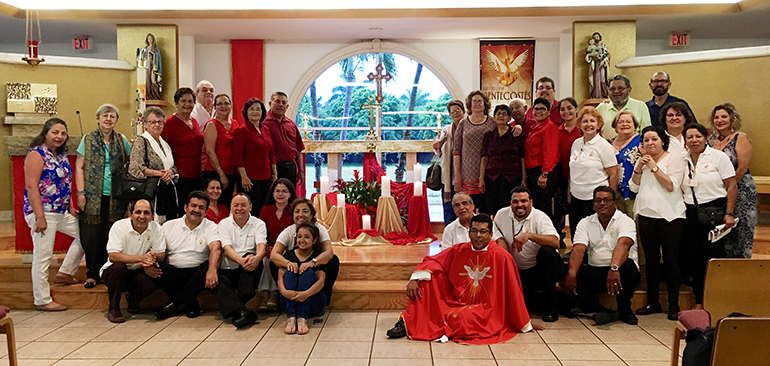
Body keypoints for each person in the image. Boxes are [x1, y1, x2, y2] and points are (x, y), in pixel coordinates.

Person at [386, 214, 533, 344]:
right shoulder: (459, 250)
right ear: (469, 233)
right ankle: (408, 323)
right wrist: (414, 279)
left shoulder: (502, 256)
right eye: (474, 231)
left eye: (483, 231)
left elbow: (513, 290)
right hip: (456, 300)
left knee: (464, 318)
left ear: (491, 234)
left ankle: (432, 324)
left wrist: (523, 322)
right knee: (426, 280)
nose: (478, 236)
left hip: (486, 309)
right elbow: (433, 261)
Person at [154, 191, 258, 328]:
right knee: (155, 267)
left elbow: (216, 248)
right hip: (174, 272)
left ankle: (174, 305)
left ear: (206, 211)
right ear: (185, 207)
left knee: (212, 269)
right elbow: (160, 253)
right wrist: (151, 259)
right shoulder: (168, 226)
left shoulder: (211, 227)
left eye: (201, 207)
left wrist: (212, 270)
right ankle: (190, 303)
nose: (197, 210)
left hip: (199, 273)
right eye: (193, 206)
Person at [23, 118, 84, 311]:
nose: (59, 136)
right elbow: (32, 187)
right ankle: (42, 299)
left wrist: (70, 207)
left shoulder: (60, 155)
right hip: (43, 211)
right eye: (55, 132)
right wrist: (39, 216)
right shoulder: (37, 154)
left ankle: (65, 272)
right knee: (43, 255)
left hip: (60, 210)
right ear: (46, 133)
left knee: (87, 235)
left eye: (63, 133)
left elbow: (65, 183)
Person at [561, 186, 640, 325]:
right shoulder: (585, 222)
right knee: (562, 271)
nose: (602, 203)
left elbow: (623, 245)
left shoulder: (625, 221)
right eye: (598, 200)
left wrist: (614, 268)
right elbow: (579, 249)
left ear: (615, 203)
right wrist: (572, 274)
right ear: (593, 205)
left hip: (620, 272)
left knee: (629, 266)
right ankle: (600, 310)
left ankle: (625, 310)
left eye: (607, 200)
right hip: (595, 271)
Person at [630, 126, 686, 320]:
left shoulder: (674, 158)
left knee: (671, 260)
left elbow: (671, 185)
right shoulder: (642, 161)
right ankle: (653, 302)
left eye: (654, 139)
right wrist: (638, 168)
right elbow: (633, 187)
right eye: (646, 140)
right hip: (646, 214)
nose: (650, 143)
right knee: (651, 261)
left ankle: (673, 304)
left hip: (671, 215)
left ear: (663, 141)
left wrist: (653, 166)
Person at [76, 104, 131, 289]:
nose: (108, 119)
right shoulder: (88, 139)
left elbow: (131, 165)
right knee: (93, 237)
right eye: (105, 115)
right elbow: (79, 167)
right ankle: (92, 274)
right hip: (93, 196)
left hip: (116, 197)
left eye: (112, 116)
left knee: (111, 236)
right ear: (98, 119)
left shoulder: (122, 140)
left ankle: (108, 273)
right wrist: (81, 193)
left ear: (116, 120)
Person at [681, 123, 737, 307]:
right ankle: (699, 300)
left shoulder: (718, 157)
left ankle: (715, 301)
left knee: (713, 259)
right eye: (689, 137)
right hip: (690, 213)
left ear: (706, 137)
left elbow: (731, 186)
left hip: (714, 212)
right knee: (694, 258)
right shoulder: (682, 159)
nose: (694, 140)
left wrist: (729, 213)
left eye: (698, 136)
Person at [493, 187, 562, 322]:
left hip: (541, 270)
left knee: (547, 252)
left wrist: (529, 236)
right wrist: (500, 241)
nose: (520, 205)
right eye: (515, 202)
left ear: (531, 202)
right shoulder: (501, 214)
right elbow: (494, 230)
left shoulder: (540, 217)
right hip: (517, 271)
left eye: (524, 201)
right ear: (510, 203)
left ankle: (551, 309)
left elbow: (556, 242)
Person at [100, 199, 165, 323]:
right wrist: (142, 258)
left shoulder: (156, 228)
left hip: (138, 270)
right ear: (131, 214)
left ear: (152, 216)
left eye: (146, 213)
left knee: (155, 275)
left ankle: (134, 301)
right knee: (119, 268)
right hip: (115, 271)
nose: (142, 216)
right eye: (138, 212)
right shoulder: (119, 226)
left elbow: (161, 254)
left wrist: (152, 259)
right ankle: (114, 308)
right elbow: (113, 256)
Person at [708, 103, 757, 259]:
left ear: (732, 118)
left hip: (740, 189)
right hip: (719, 191)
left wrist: (729, 187)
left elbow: (742, 168)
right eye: (716, 117)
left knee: (741, 231)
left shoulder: (740, 137)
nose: (719, 120)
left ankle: (742, 270)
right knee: (724, 232)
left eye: (724, 116)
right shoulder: (711, 139)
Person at [271, 198, 340, 305]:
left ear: (312, 214)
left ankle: (322, 298)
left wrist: (312, 262)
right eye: (297, 211)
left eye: (305, 211)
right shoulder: (288, 231)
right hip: (294, 267)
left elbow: (328, 252)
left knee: (333, 261)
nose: (300, 215)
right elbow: (274, 254)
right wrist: (288, 264)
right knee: (274, 264)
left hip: (313, 265)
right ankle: (288, 297)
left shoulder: (320, 229)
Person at [568, 106, 619, 240]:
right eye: (585, 121)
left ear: (599, 125)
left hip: (595, 200)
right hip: (576, 197)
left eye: (592, 121)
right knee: (577, 233)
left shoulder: (604, 146)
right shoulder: (576, 143)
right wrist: (569, 192)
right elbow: (572, 169)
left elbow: (613, 174)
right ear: (579, 125)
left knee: (594, 236)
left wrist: (610, 200)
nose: (588, 124)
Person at [128, 106, 178, 223]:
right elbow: (135, 168)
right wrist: (158, 174)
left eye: (160, 122)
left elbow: (173, 166)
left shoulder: (164, 144)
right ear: (145, 124)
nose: (157, 125)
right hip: (150, 194)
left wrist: (171, 172)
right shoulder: (141, 141)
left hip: (166, 192)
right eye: (152, 122)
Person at [218, 193, 267, 311]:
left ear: (250, 207)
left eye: (243, 205)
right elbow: (226, 248)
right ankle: (241, 310)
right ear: (231, 207)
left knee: (251, 257)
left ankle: (238, 306)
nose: (239, 208)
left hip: (249, 269)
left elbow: (261, 244)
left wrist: (258, 257)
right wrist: (242, 261)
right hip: (229, 268)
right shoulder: (223, 224)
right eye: (236, 205)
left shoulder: (258, 223)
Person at [279, 222, 328, 335]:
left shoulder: (317, 257)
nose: (302, 240)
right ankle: (291, 318)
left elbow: (321, 281)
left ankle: (302, 318)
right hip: (291, 300)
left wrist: (306, 293)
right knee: (291, 270)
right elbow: (280, 277)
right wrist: (285, 292)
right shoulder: (289, 255)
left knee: (307, 272)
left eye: (307, 237)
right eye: (299, 237)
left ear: (314, 240)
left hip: (312, 300)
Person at [162, 87, 204, 216]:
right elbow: (164, 149)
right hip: (180, 176)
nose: (187, 104)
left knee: (195, 211)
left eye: (190, 101)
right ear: (176, 103)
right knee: (182, 211)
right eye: (183, 101)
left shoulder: (194, 122)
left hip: (197, 174)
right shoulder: (169, 123)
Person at [234, 97, 277, 216]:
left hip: (266, 176)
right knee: (253, 209)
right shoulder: (242, 130)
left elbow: (271, 153)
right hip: (249, 178)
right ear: (246, 112)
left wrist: (274, 174)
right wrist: (244, 177)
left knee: (265, 208)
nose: (255, 112)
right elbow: (237, 156)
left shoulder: (265, 129)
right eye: (251, 109)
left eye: (258, 109)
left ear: (263, 112)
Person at [258, 178, 296, 311]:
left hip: (288, 248)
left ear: (290, 193)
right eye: (277, 191)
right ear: (272, 193)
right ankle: (267, 293)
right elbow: (261, 232)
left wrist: (278, 250)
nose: (280, 194)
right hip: (268, 247)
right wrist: (266, 247)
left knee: (273, 259)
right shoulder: (266, 210)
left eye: (284, 191)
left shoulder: (294, 210)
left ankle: (271, 294)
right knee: (266, 259)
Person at [479, 104, 525, 215]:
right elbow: (484, 157)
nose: (501, 116)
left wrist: (524, 177)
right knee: (493, 209)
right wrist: (481, 178)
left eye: (504, 114)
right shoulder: (489, 136)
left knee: (510, 209)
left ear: (509, 118)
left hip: (512, 177)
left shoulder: (516, 135)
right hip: (492, 177)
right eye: (498, 113)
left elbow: (522, 158)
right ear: (494, 117)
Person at [453, 90, 495, 210]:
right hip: (467, 172)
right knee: (468, 207)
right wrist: (457, 174)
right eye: (474, 101)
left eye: (480, 101)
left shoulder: (492, 122)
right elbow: (457, 151)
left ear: (485, 104)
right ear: (470, 104)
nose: (477, 103)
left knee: (484, 207)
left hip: (487, 170)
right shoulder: (463, 123)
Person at [524, 97, 560, 222]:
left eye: (543, 109)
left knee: (543, 207)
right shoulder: (535, 127)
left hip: (543, 171)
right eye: (536, 109)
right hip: (534, 171)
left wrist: (545, 174)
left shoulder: (549, 127)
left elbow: (550, 152)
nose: (539, 111)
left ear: (549, 112)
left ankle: (547, 236)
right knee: (537, 205)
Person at [262, 91, 305, 187]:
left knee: (290, 196)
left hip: (290, 167)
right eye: (277, 101)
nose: (281, 105)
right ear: (270, 104)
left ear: (287, 106)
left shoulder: (291, 125)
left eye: (284, 102)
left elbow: (298, 150)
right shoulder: (263, 124)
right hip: (272, 168)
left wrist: (301, 171)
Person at [203, 94, 238, 208]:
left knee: (227, 205)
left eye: (226, 103)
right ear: (214, 107)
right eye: (220, 104)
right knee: (216, 205)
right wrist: (221, 174)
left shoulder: (235, 123)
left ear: (231, 106)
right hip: (215, 172)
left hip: (231, 172)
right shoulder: (212, 125)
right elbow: (210, 152)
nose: (224, 106)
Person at [433, 100, 465, 226]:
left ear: (463, 111)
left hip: (465, 175)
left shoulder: (469, 128)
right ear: (450, 115)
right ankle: (448, 237)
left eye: (458, 110)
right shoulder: (446, 130)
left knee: (465, 208)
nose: (455, 113)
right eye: (452, 112)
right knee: (449, 209)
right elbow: (438, 151)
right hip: (448, 177)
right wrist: (437, 146)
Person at [556, 98, 581, 244]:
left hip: (580, 178)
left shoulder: (583, 129)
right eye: (562, 109)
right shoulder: (557, 130)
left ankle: (580, 245)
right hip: (563, 175)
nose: (566, 112)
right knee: (562, 212)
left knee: (577, 213)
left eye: (569, 108)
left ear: (576, 109)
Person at [597, 75, 652, 139]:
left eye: (621, 88)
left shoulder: (640, 106)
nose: (616, 91)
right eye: (612, 89)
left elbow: (647, 133)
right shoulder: (601, 108)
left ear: (629, 89)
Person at [611, 111, 642, 217]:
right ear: (615, 126)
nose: (624, 124)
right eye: (620, 122)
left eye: (628, 121)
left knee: (635, 227)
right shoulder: (609, 143)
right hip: (615, 193)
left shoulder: (641, 142)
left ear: (635, 125)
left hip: (635, 193)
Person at [137, 33, 162, 101]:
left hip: (153, 65)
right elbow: (142, 57)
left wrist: (152, 53)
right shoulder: (145, 48)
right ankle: (148, 95)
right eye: (148, 39)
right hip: (147, 64)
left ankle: (155, 95)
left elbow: (157, 57)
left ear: (153, 40)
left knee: (153, 79)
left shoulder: (156, 49)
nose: (149, 40)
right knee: (147, 80)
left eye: (151, 39)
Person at [586, 32, 610, 99]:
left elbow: (608, 55)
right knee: (596, 80)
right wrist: (590, 55)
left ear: (600, 37)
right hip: (595, 65)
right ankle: (596, 96)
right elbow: (587, 55)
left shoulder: (604, 46)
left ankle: (604, 95)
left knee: (603, 79)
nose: (596, 38)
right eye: (594, 37)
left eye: (597, 37)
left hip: (602, 64)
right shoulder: (591, 47)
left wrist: (604, 60)